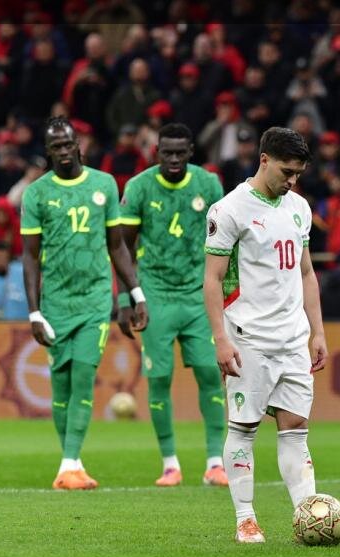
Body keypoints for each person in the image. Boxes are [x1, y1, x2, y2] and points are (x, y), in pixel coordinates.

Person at [203, 127, 340, 545]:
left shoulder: (299, 207)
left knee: (296, 427)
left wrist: (317, 332)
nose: (292, 180)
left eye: (298, 173)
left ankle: (310, 517)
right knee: (243, 427)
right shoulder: (228, 210)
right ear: (264, 159)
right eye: (287, 171)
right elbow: (212, 280)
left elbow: (306, 272)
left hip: (292, 339)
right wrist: (220, 339)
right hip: (248, 336)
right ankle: (245, 519)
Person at [21, 116, 148, 490]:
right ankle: (70, 465)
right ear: (48, 152)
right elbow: (30, 257)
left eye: (68, 144)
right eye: (56, 146)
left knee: (82, 376)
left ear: (79, 145)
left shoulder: (103, 184)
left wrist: (135, 293)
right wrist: (34, 311)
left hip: (94, 299)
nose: (64, 151)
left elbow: (117, 246)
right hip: (56, 303)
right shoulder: (36, 194)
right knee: (61, 387)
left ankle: (70, 463)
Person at [118, 122, 228, 488]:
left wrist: (229, 290)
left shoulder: (208, 184)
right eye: (168, 153)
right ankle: (170, 465)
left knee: (210, 374)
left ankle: (215, 463)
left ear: (191, 152)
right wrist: (125, 298)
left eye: (181, 153)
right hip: (156, 295)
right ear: (157, 153)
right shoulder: (139, 187)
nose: (175, 159)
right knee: (160, 378)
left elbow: (225, 240)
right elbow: (122, 247)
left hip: (198, 295)